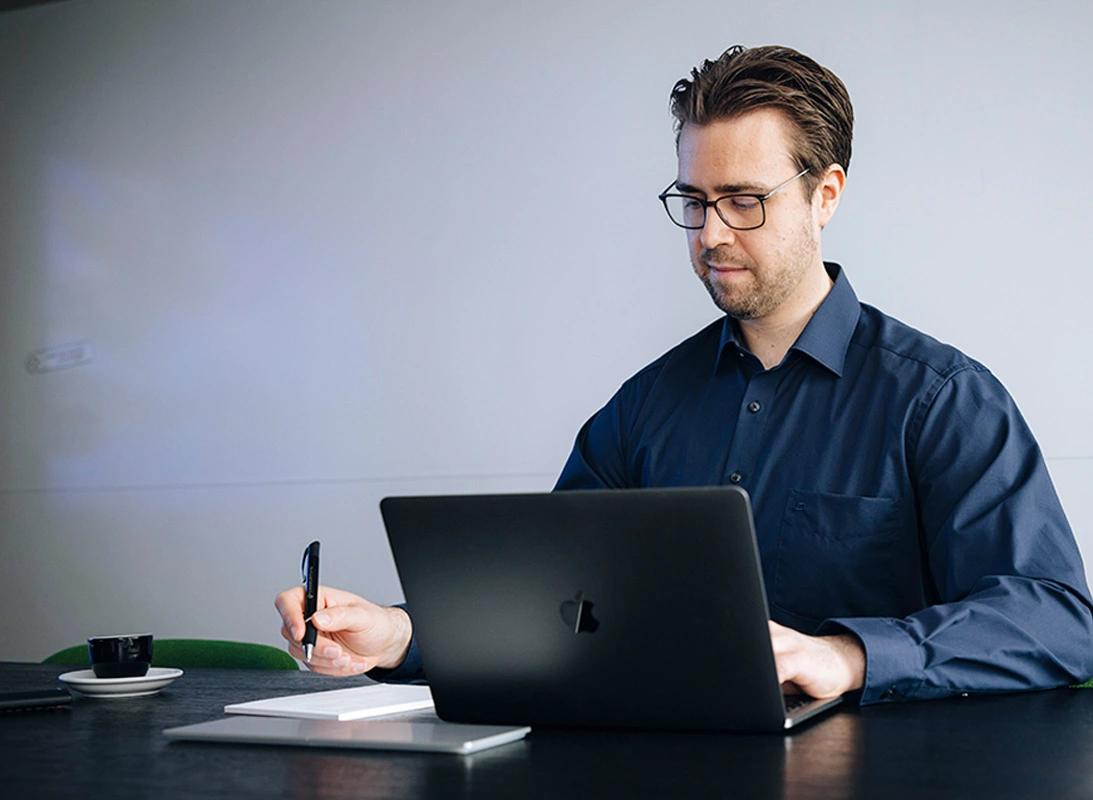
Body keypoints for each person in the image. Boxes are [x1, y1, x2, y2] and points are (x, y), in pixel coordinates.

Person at [275, 44, 1093, 704]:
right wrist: (399, 635)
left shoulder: (941, 400)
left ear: (826, 194)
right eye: (693, 201)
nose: (709, 233)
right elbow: (549, 606)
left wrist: (850, 655)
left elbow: (1054, 618)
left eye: (743, 199)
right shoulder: (644, 408)